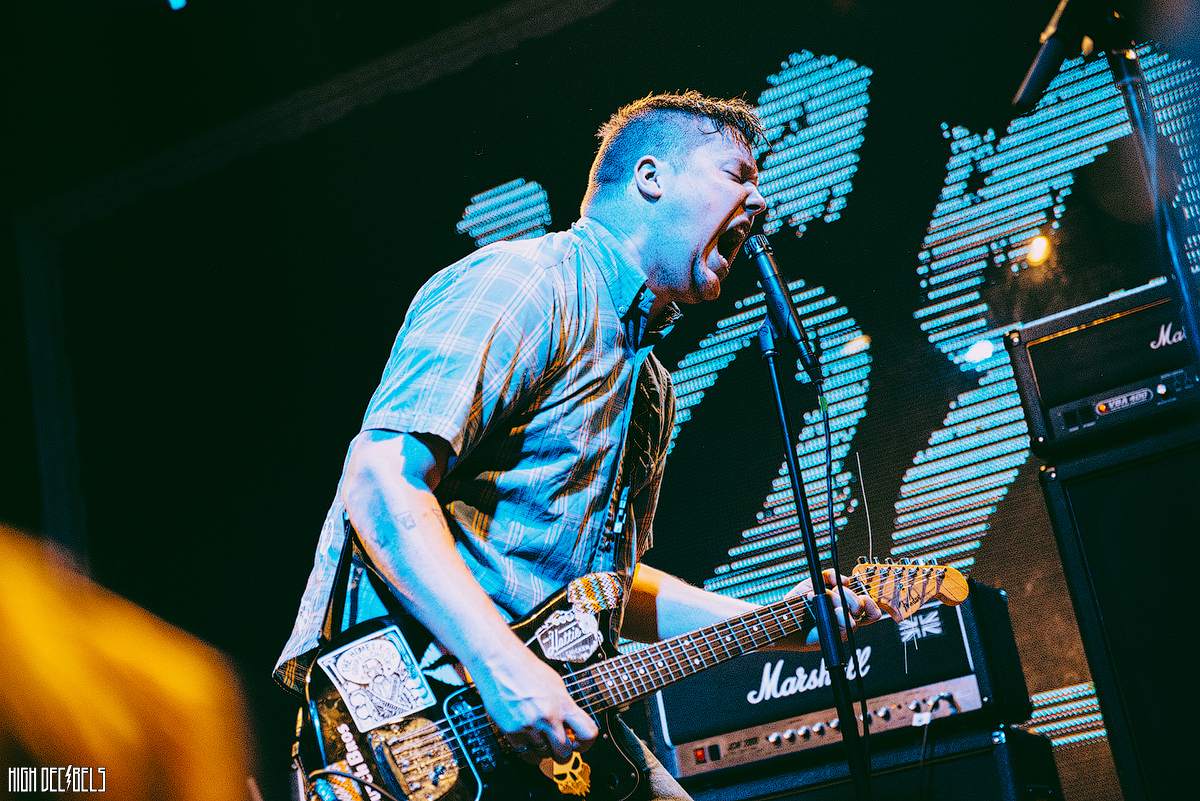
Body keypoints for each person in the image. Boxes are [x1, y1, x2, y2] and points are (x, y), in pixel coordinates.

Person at [275, 91, 881, 800]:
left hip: (545, 719)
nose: (760, 200)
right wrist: (500, 663)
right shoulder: (528, 283)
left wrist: (780, 623)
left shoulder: (649, 386)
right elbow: (382, 477)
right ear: (650, 178)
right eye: (736, 174)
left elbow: (610, 594)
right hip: (420, 716)